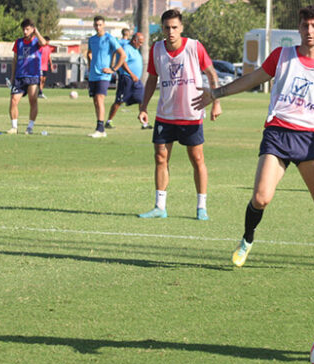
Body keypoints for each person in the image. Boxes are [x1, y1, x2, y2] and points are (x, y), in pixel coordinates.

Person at [192, 5, 314, 274]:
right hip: (278, 135)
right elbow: (252, 79)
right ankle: (246, 241)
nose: (310, 31)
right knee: (261, 197)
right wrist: (217, 92)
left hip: (309, 140)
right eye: (305, 25)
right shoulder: (282, 56)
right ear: (299, 28)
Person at [137, 9, 222, 221]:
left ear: (181, 28)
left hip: (191, 114)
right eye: (167, 27)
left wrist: (216, 102)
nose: (171, 31)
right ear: (163, 29)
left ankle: (201, 207)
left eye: (175, 27)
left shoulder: (194, 47)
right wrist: (143, 106)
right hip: (165, 114)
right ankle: (159, 206)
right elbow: (151, 80)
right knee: (160, 157)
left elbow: (212, 74)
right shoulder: (156, 49)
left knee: (197, 158)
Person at [86, 15, 126, 138]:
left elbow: (122, 55)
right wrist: (89, 66)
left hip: (104, 75)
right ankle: (100, 129)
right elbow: (89, 53)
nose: (98, 27)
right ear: (93, 26)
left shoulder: (109, 38)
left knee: (99, 99)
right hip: (93, 75)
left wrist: (113, 69)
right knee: (95, 102)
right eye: (96, 25)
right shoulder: (92, 39)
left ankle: (100, 128)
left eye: (100, 25)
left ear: (104, 25)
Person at [8, 18, 47, 135]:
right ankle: (14, 127)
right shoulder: (18, 42)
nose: (25, 32)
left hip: (32, 76)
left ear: (32, 29)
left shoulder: (36, 41)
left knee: (33, 101)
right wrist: (12, 75)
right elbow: (15, 59)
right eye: (23, 29)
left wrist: (37, 33)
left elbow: (44, 43)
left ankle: (30, 127)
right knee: (14, 100)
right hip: (19, 76)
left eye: (27, 29)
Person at [106, 33, 146, 129]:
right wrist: (131, 74)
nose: (141, 44)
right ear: (134, 40)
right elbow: (123, 62)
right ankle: (109, 121)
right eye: (140, 42)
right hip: (127, 78)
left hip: (136, 80)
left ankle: (145, 123)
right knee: (119, 101)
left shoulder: (136, 50)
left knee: (143, 100)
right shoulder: (127, 48)